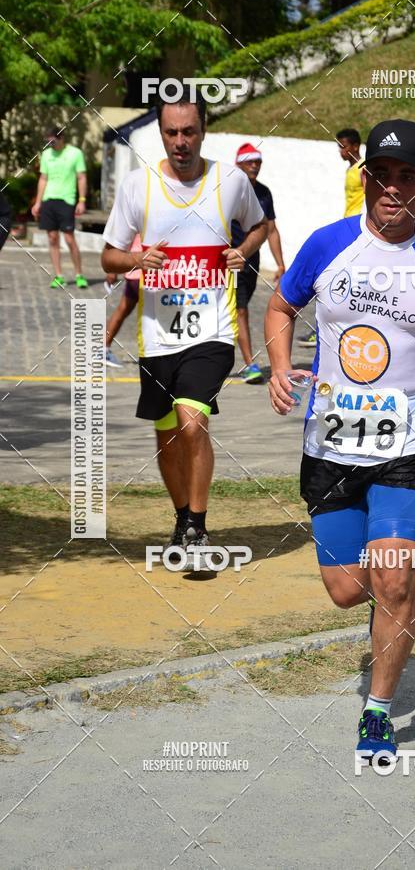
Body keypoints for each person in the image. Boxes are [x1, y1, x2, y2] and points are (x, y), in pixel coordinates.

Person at [265, 119, 415, 762]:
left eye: (408, 177)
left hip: (409, 444)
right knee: (347, 589)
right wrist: (281, 367)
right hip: (331, 443)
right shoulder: (325, 245)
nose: (393, 188)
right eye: (381, 175)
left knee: (392, 581)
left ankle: (378, 714)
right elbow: (281, 307)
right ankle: (393, 604)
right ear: (365, 177)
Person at [101, 94, 267, 562]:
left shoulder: (230, 180)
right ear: (161, 134)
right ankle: (180, 517)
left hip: (212, 330)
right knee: (168, 434)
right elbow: (109, 256)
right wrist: (136, 258)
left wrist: (244, 250)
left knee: (193, 422)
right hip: (157, 336)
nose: (180, 142)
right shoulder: (139, 186)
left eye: (188, 131)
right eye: (172, 133)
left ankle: (197, 525)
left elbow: (258, 226)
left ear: (203, 130)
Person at [298, 127, 364, 350]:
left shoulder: (363, 169)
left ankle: (324, 329)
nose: (341, 151)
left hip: (356, 231)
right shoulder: (351, 169)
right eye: (339, 146)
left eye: (344, 146)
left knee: (335, 278)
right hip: (347, 228)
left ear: (355, 146)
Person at [230, 142, 285, 384]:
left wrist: (280, 264)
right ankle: (250, 364)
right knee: (240, 309)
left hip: (253, 260)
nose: (255, 165)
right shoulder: (228, 190)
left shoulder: (264, 193)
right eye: (250, 161)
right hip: (230, 261)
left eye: (258, 161)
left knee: (237, 309)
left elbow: (271, 230)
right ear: (238, 163)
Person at [32, 128, 88, 289]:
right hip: (49, 200)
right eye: (47, 141)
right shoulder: (47, 155)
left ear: (61, 138)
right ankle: (59, 275)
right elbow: (43, 179)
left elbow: (81, 177)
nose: (50, 144)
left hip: (67, 200)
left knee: (69, 239)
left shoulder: (75, 153)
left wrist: (82, 201)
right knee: (52, 238)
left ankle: (79, 274)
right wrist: (38, 202)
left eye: (53, 141)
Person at [105, 276, 139, 369]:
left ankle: (102, 350)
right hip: (147, 277)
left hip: (133, 276)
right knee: (153, 314)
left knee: (122, 309)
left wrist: (113, 272)